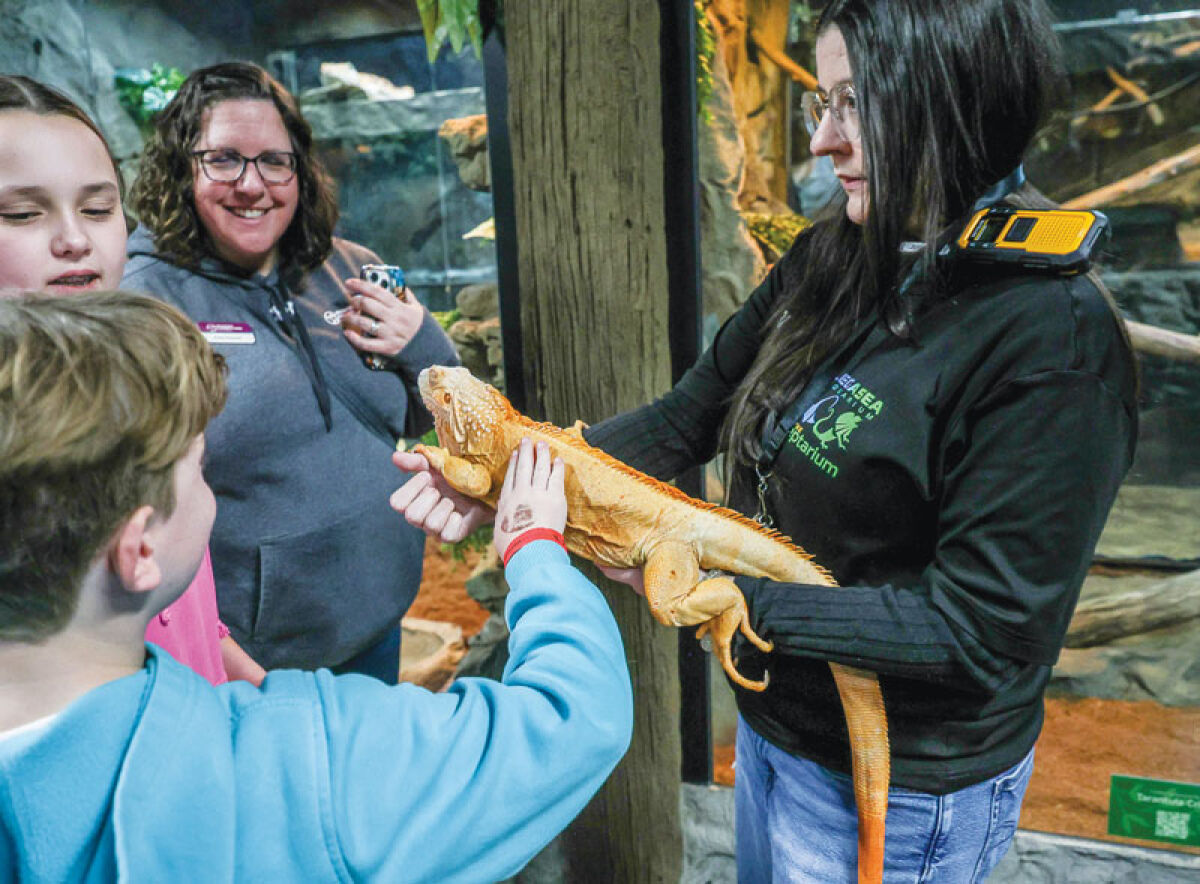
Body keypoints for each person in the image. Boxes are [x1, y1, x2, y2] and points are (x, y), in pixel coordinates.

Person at [394, 1, 1139, 880]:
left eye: (856, 104)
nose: (823, 140)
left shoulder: (1055, 339)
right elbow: (687, 418)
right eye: (823, 102)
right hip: (774, 719)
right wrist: (513, 480)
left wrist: (722, 593)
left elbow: (977, 631)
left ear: (955, 100)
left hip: (910, 782)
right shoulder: (836, 254)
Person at [0, 290, 632, 881]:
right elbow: (573, 718)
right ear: (140, 548)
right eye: (199, 466)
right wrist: (533, 546)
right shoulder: (314, 762)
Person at [122, 62, 461, 682]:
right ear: (181, 168)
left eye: (274, 162)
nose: (252, 185)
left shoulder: (350, 269)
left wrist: (421, 341)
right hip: (258, 656)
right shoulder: (145, 301)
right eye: (224, 160)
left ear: (299, 171)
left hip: (379, 612)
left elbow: (429, 414)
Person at [0, 73, 262, 686]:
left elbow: (184, 616)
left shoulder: (142, 378)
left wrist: (259, 692)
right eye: (22, 213)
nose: (75, 240)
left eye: (98, 208)